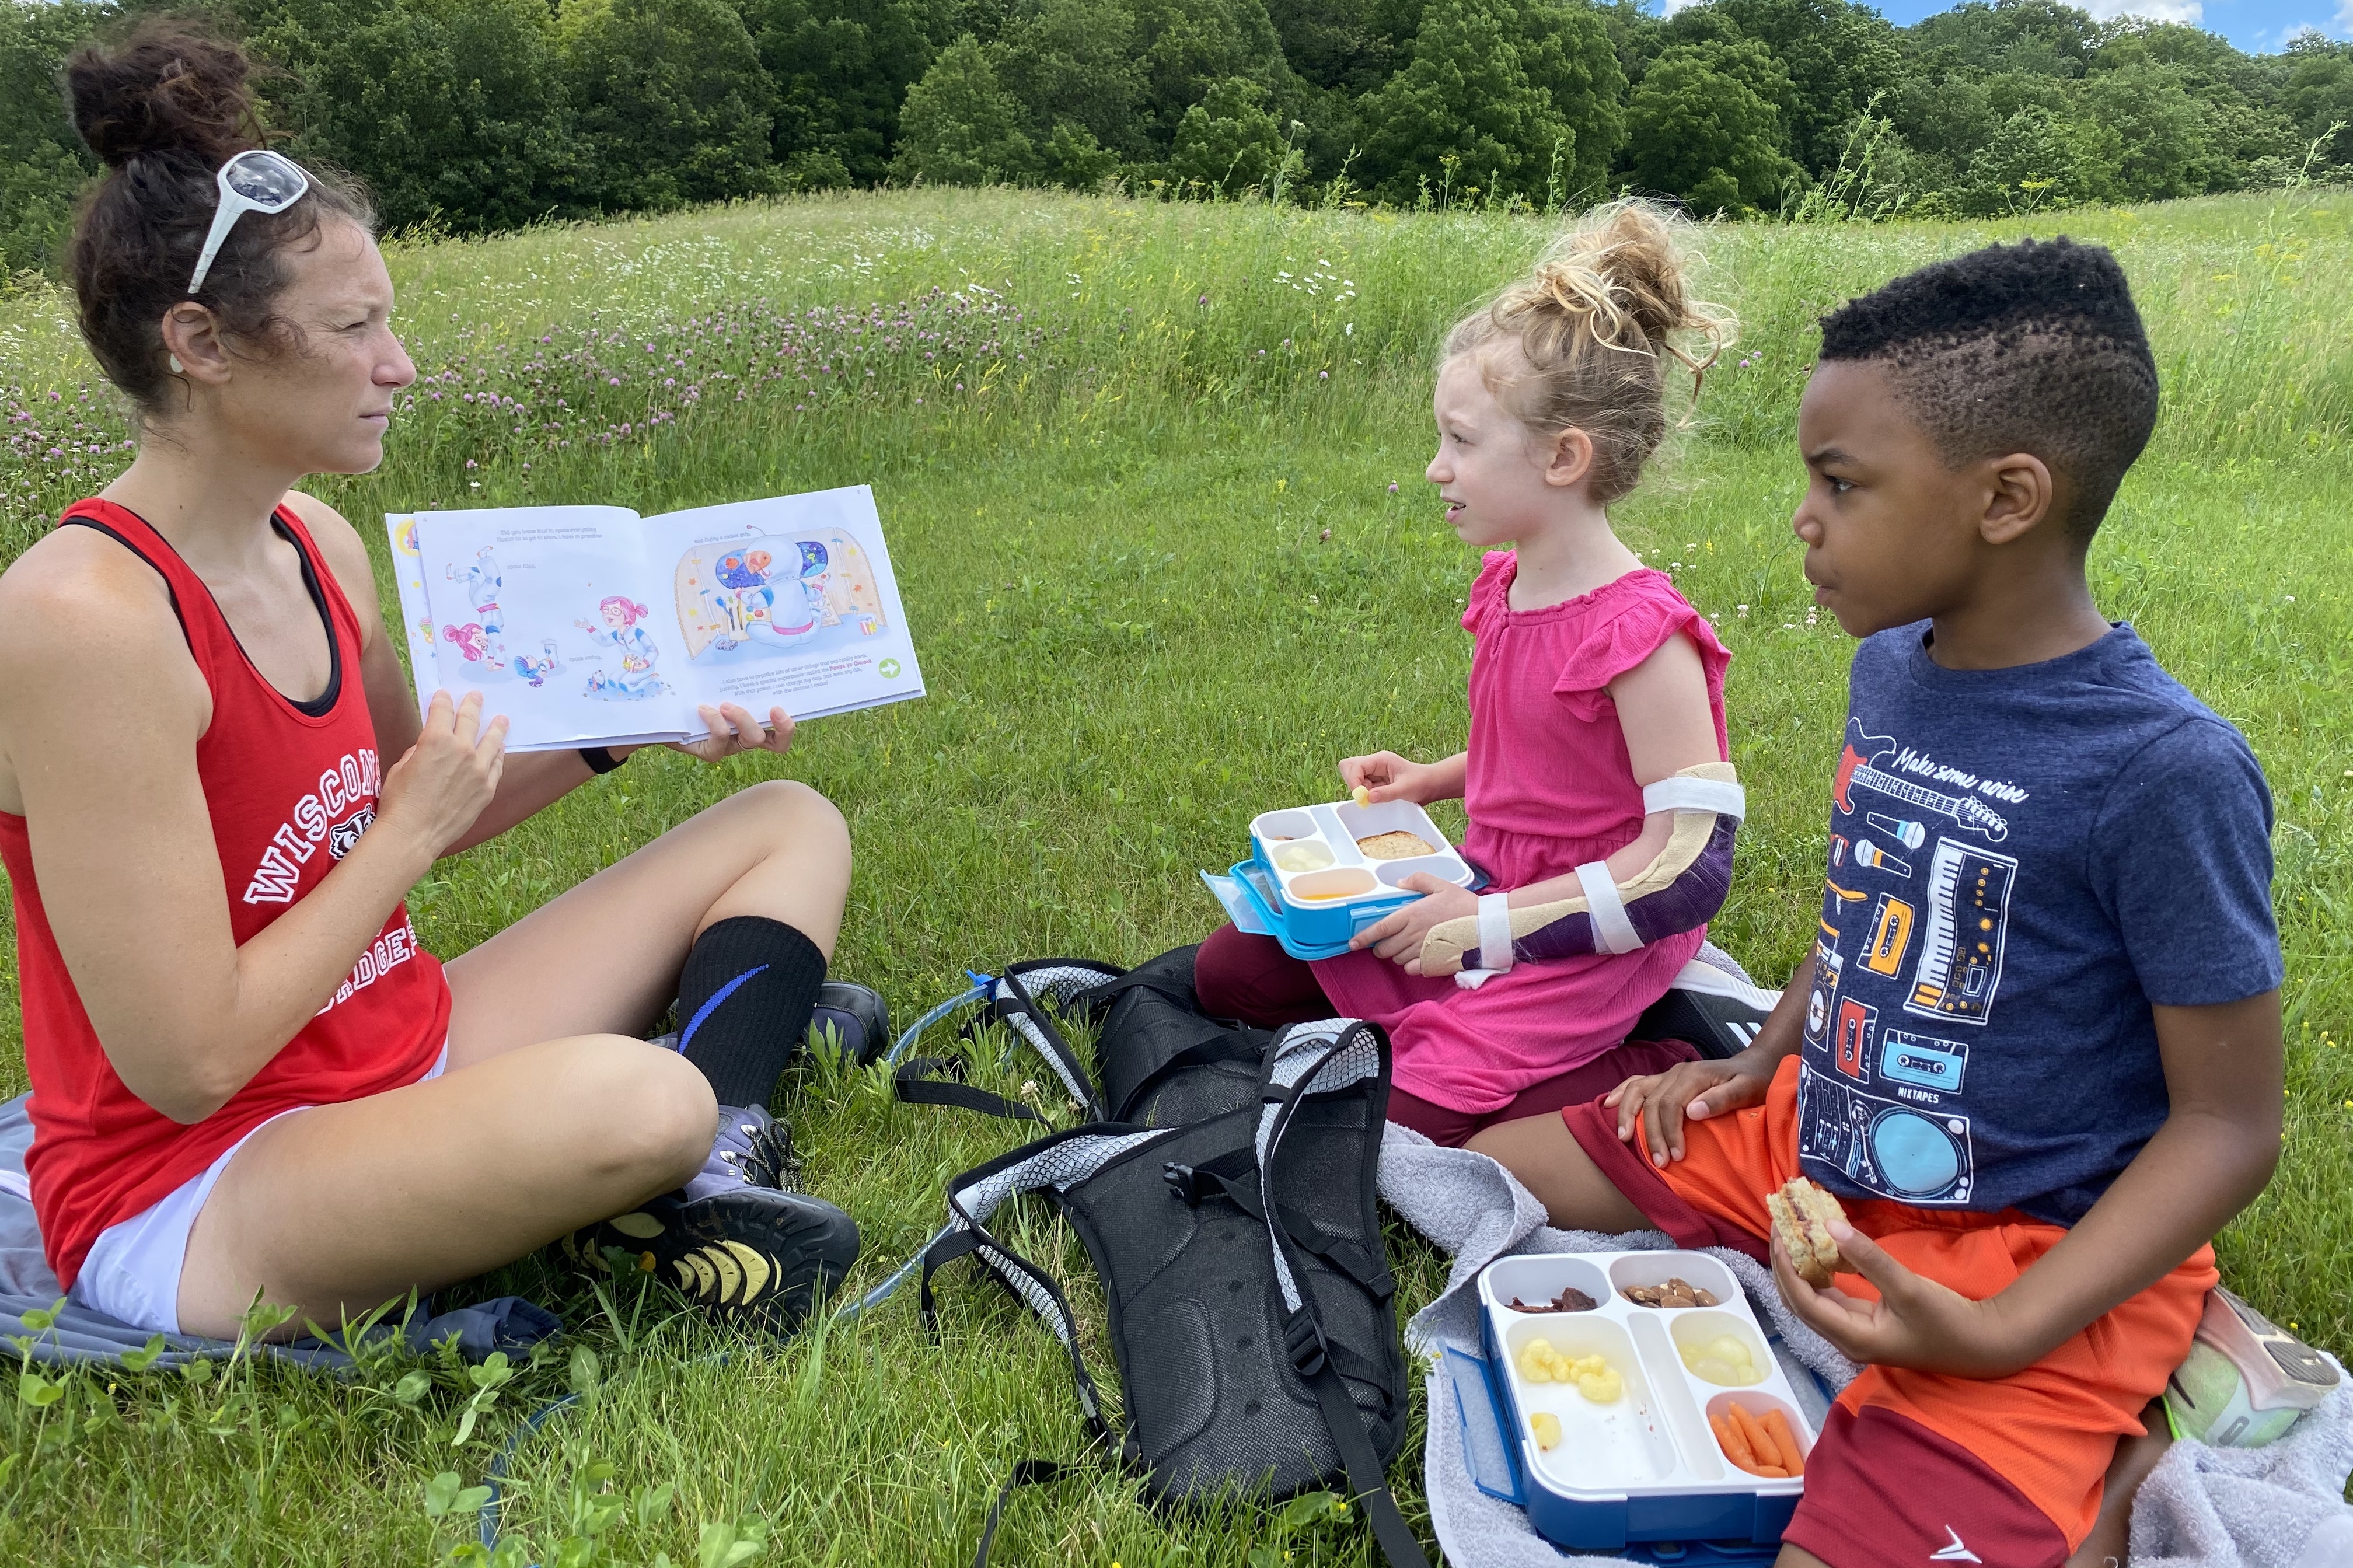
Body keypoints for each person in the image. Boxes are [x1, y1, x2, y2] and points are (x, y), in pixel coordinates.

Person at [0, 22, 875, 1343]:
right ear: (203, 342)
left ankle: (718, 1158)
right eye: (354, 327)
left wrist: (624, 729)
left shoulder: (317, 544)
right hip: (194, 1187)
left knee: (786, 823)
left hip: (394, 1047)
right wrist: (402, 833)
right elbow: (187, 1065)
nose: (398, 364)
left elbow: (432, 801)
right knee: (641, 1100)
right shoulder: (84, 626)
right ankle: (688, 1115)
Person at [1483, 239, 2285, 1567]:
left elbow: (2230, 1124)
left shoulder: (2165, 771)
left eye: (1842, 483)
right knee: (1493, 1176)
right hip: (1821, 1148)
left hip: (2025, 1243)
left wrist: (2002, 1334)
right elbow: (1867, 907)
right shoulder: (1896, 671)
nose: (1803, 518)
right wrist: (1758, 1061)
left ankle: (2114, 1445)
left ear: (2007, 498)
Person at [1194, 202, 1745, 1172]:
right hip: (1486, 885)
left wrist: (1484, 928)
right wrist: (1432, 781)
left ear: (1563, 457)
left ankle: (1662, 1055)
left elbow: (1687, 866)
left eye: (1460, 441)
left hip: (1589, 938)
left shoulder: (1644, 638)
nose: (1434, 467)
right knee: (1231, 972)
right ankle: (1466, 1020)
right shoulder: (1508, 587)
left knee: (1399, 1125)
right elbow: (1543, 756)